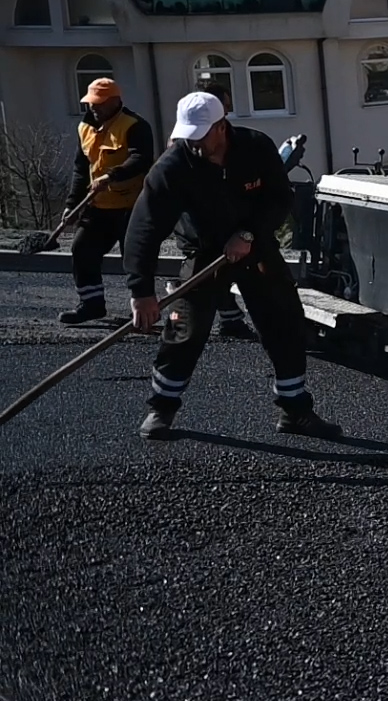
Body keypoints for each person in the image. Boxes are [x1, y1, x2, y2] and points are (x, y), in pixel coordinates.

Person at [124, 92, 340, 442]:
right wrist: (141, 291)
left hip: (254, 247)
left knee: (283, 322)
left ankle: (295, 410)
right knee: (185, 329)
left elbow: (279, 197)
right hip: (205, 253)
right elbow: (144, 228)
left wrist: (248, 234)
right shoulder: (173, 166)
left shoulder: (255, 148)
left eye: (200, 134)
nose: (193, 143)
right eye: (188, 135)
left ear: (221, 127)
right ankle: (161, 408)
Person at [60, 78, 155, 325]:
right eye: (91, 103)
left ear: (115, 101)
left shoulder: (135, 125)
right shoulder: (85, 128)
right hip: (98, 206)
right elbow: (81, 169)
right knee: (82, 250)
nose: (94, 108)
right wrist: (72, 204)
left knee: (134, 260)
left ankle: (142, 311)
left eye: (99, 103)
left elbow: (141, 159)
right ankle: (91, 305)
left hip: (131, 207)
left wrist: (112, 176)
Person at [186, 78, 258, 340]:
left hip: (225, 224)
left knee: (224, 273)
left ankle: (232, 318)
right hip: (198, 225)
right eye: (225, 107)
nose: (228, 112)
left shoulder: (238, 142)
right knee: (210, 275)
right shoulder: (189, 148)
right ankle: (212, 320)